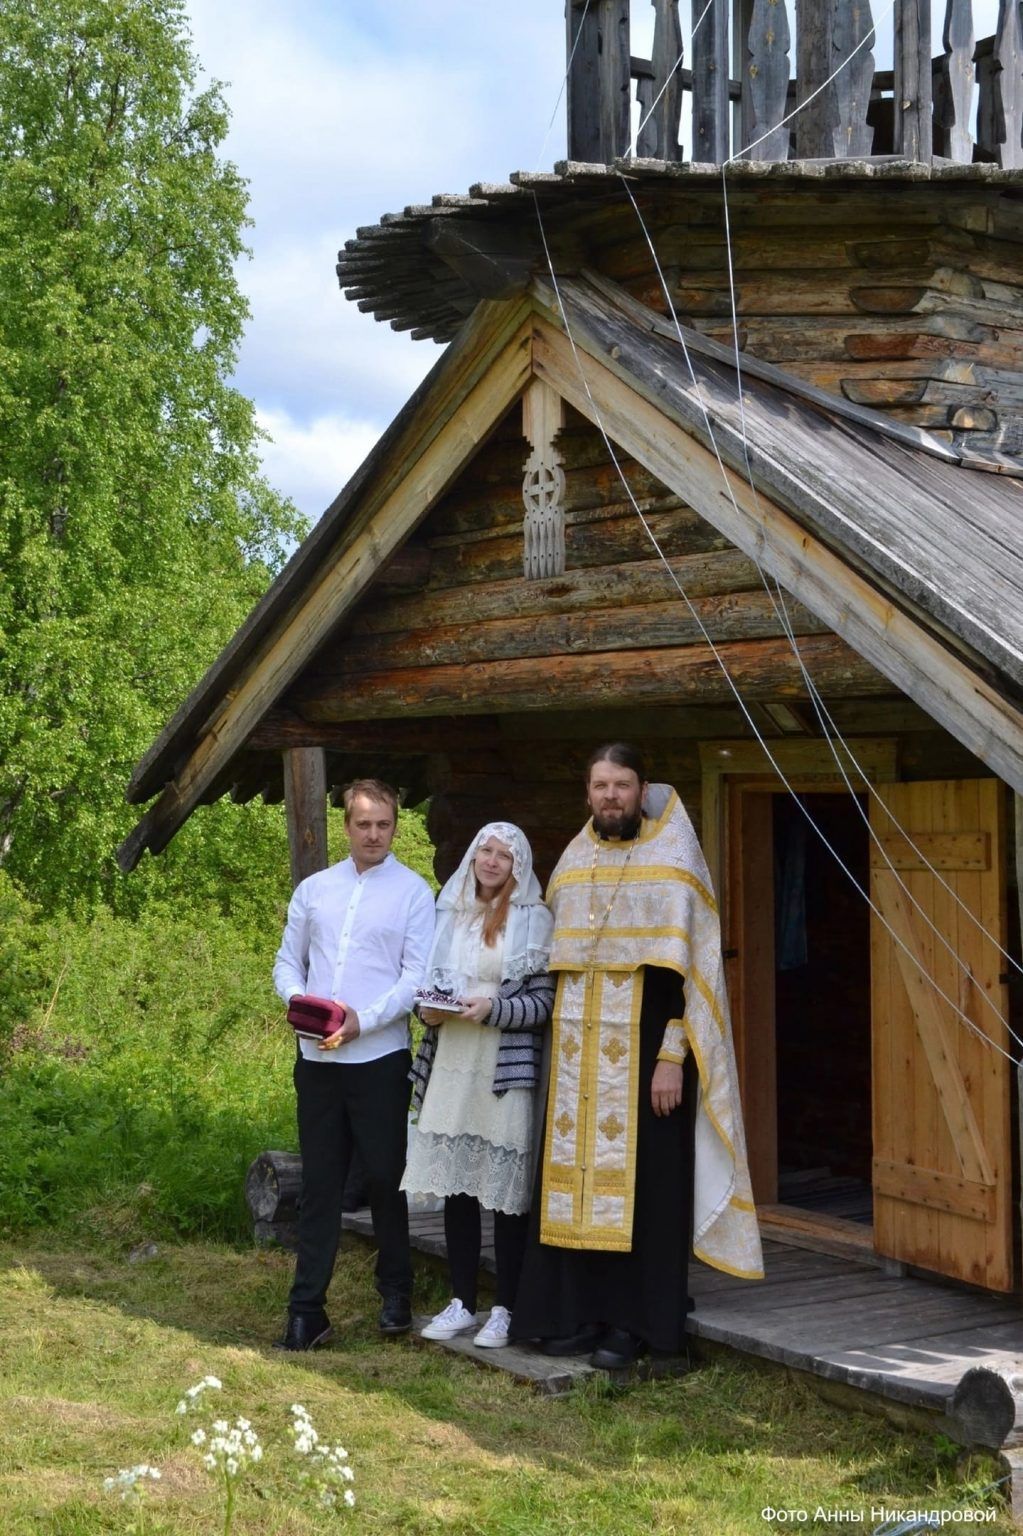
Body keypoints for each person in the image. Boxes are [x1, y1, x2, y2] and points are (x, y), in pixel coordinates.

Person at [510, 744, 762, 1368]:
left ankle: (637, 1326)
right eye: (599, 785)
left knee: (648, 1195)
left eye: (621, 785)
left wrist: (673, 1055)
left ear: (641, 789)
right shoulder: (571, 863)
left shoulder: (674, 862)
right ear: (587, 792)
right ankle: (573, 1315)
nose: (610, 797)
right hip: (576, 1066)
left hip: (650, 1068)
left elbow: (695, 976)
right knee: (574, 1189)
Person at [272, 778, 435, 1351]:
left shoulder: (414, 894)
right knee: (320, 1185)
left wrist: (360, 1020)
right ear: (346, 826)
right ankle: (306, 1311)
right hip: (316, 1059)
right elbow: (287, 963)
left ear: (395, 825)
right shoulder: (315, 890)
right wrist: (304, 1007)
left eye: (383, 825)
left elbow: (416, 978)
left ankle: (395, 1294)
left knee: (386, 1178)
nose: (373, 834)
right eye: (363, 824)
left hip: (378, 1058)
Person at [402, 823, 554, 1349]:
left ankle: (505, 1307)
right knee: (458, 1186)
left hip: (503, 1065)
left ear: (518, 867)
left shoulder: (534, 921)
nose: (491, 862)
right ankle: (462, 1301)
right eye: (484, 851)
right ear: (471, 856)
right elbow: (430, 985)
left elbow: (543, 1004)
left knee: (505, 1194)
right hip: (452, 1060)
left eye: (503, 856)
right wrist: (430, 1011)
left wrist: (493, 1008)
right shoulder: (453, 914)